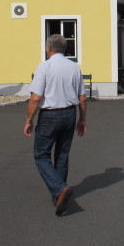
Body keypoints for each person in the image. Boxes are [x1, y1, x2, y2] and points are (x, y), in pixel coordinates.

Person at [24, 34, 88, 216]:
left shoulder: (45, 66)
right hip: (69, 114)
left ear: (48, 48)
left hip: (50, 116)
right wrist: (82, 119)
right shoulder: (75, 68)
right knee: (62, 155)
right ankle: (58, 196)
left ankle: (59, 189)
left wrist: (29, 120)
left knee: (41, 155)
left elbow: (36, 98)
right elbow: (82, 98)